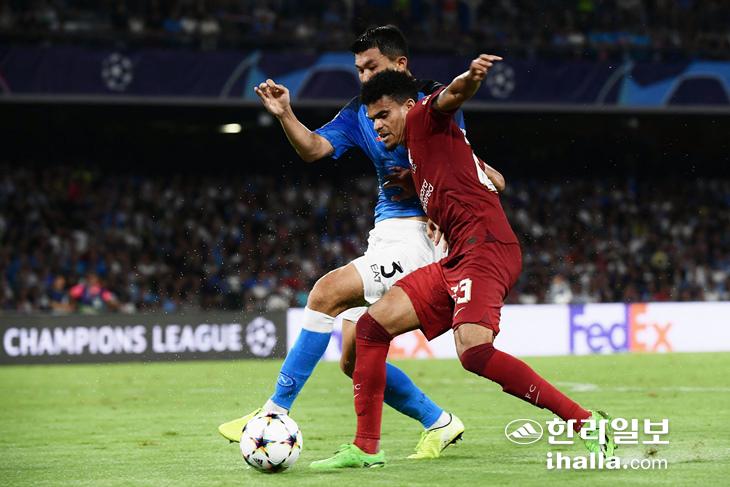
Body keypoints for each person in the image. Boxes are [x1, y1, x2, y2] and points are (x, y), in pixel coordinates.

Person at [310, 57, 616, 469]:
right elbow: (498, 181)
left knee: (473, 352)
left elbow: (450, 96)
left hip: (486, 249)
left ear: (407, 106)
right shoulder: (418, 156)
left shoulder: (424, 117)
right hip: (458, 256)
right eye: (371, 118)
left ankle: (585, 422)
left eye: (383, 115)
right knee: (370, 328)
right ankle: (365, 448)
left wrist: (470, 78)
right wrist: (433, 191)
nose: (377, 125)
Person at [219, 25, 506, 459]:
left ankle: (274, 411)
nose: (364, 76)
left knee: (326, 292)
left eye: (371, 67)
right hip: (384, 235)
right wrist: (285, 114)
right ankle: (439, 422)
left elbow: (454, 135)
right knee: (353, 360)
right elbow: (315, 148)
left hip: (420, 236)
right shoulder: (360, 113)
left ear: (400, 64)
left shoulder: (427, 102)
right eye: (359, 69)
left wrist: (443, 203)